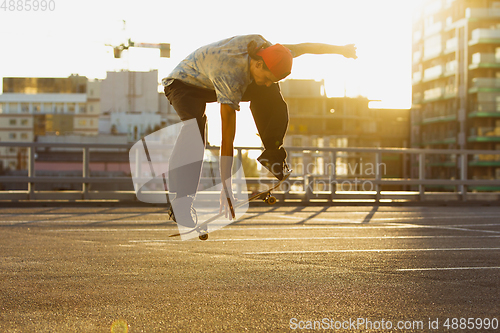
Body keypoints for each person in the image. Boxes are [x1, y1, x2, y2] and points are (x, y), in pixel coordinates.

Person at [163, 34, 357, 227]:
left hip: (209, 81)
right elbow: (227, 137)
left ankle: (272, 154)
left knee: (270, 91)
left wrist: (342, 50)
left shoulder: (273, 52)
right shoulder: (229, 73)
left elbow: (307, 47)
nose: (265, 82)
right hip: (182, 85)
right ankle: (181, 202)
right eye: (265, 77)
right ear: (257, 64)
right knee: (195, 129)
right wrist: (227, 187)